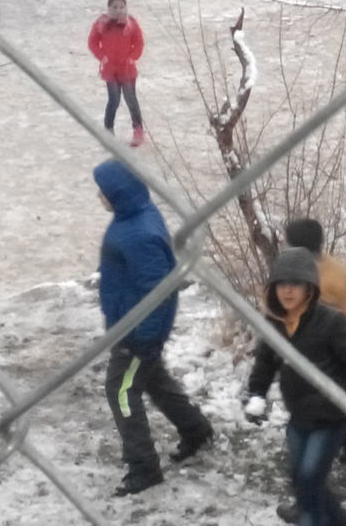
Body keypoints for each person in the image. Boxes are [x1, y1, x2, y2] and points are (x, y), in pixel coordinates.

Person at [94, 159, 214, 496]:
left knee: (120, 390)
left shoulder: (138, 234)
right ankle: (196, 429)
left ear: (117, 194)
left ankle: (144, 466)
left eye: (102, 192)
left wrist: (144, 339)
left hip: (136, 334)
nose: (98, 197)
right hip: (130, 326)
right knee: (154, 380)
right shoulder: (133, 216)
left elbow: (157, 291)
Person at [246, 247, 346, 526]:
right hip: (299, 417)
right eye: (282, 283)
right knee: (302, 478)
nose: (288, 291)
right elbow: (265, 362)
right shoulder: (277, 323)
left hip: (330, 418)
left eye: (296, 283)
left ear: (310, 288)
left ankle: (310, 518)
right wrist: (256, 394)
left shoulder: (331, 322)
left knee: (309, 477)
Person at [88, 0, 146, 146]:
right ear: (109, 8)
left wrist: (132, 57)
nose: (118, 10)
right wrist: (102, 57)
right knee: (113, 100)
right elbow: (93, 42)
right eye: (114, 7)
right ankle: (108, 130)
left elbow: (139, 42)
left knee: (131, 99)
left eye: (121, 7)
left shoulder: (131, 23)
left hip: (127, 69)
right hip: (110, 70)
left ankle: (138, 130)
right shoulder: (101, 23)